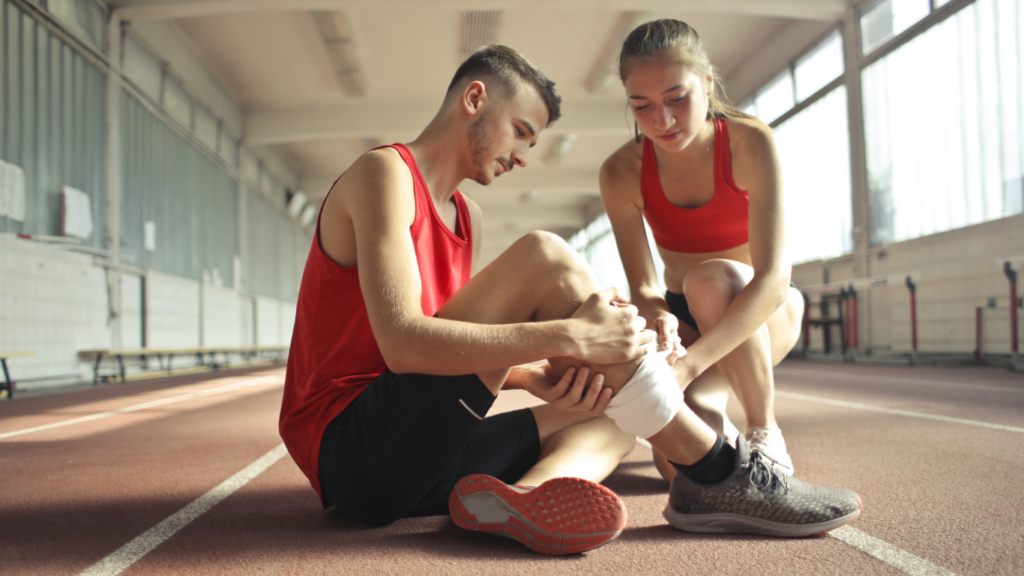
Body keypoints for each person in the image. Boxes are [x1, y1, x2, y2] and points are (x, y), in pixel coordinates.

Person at [280, 45, 860, 557]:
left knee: (613, 408)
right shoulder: (384, 174)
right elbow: (405, 347)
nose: (524, 157)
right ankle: (717, 471)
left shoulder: (468, 217)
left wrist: (535, 377)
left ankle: (526, 498)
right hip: (354, 454)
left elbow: (447, 355)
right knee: (543, 256)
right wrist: (568, 338)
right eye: (521, 132)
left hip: (416, 462)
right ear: (475, 99)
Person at [600, 19, 805, 478]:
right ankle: (715, 408)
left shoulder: (752, 143)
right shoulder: (621, 172)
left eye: (677, 98)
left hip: (763, 311)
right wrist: (661, 319)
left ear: (708, 82)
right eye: (642, 106)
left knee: (711, 280)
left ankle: (763, 430)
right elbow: (645, 286)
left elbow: (774, 280)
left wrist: (689, 367)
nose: (662, 121)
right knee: (678, 469)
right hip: (687, 320)